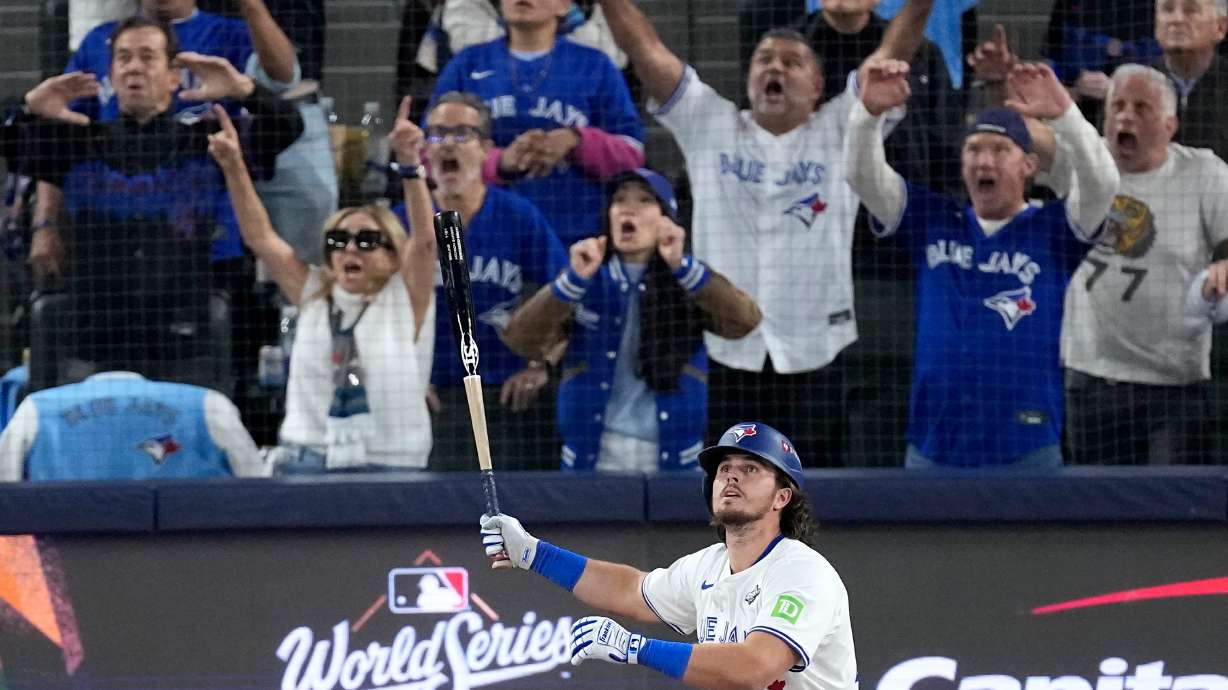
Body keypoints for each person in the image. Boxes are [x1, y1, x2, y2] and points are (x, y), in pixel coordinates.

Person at [597, 0, 933, 467]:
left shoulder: (841, 128)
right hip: (729, 352)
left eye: (792, 63)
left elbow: (893, 52)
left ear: (817, 87)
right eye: (764, 60)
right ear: (749, 77)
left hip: (817, 352)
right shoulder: (710, 123)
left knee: (811, 498)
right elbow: (646, 49)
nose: (775, 67)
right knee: (731, 495)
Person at [843, 60, 1119, 468]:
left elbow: (1103, 183)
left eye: (999, 150)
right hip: (934, 442)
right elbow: (861, 175)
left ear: (1028, 165)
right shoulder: (934, 223)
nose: (983, 161)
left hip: (1026, 443)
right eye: (973, 149)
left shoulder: (1053, 229)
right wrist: (867, 115)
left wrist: (1064, 114)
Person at [19, 17, 303, 386]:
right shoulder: (76, 143)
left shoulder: (208, 142)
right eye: (123, 58)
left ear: (173, 76)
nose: (134, 66)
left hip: (185, 338)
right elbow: (12, 146)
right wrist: (30, 107)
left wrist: (244, 89)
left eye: (147, 57)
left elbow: (289, 127)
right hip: (93, 340)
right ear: (111, 75)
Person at [479, 422, 854, 690]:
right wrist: (533, 553)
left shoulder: (802, 573)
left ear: (781, 497)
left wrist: (634, 648)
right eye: (724, 469)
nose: (731, 477)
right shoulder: (708, 565)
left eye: (750, 469)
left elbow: (754, 667)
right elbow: (631, 589)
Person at [208, 95, 437, 472]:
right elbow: (261, 238)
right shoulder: (314, 292)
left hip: (391, 462)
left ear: (394, 253)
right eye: (338, 241)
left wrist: (411, 167)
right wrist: (234, 166)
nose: (350, 250)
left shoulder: (406, 296)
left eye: (366, 241)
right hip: (307, 456)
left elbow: (426, 242)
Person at [502, 169, 762, 471]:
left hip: (676, 458)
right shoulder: (585, 280)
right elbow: (521, 340)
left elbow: (745, 321)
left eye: (644, 200)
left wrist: (681, 265)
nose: (628, 208)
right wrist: (570, 282)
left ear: (667, 219)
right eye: (619, 200)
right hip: (593, 458)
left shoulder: (689, 281)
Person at [1054, 65, 1228, 465]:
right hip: (1090, 379)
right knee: (1095, 516)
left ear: (1170, 124)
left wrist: (1223, 268)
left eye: (1141, 108)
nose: (1125, 116)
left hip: (1173, 388)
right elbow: (1019, 145)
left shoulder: (1203, 172)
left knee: (1172, 517)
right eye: (1117, 106)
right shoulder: (1084, 163)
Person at [392, 92, 568, 471]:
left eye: (462, 134)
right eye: (437, 135)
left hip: (505, 395)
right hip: (433, 394)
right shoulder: (402, 218)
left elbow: (566, 296)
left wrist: (542, 365)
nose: (448, 144)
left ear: (487, 149)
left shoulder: (518, 215)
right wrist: (401, 376)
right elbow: (379, 309)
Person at [430, 0, 644, 246]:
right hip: (487, 238)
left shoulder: (596, 66)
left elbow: (631, 154)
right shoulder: (466, 65)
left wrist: (576, 141)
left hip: (578, 239)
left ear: (564, 6)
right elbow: (428, 152)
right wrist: (500, 162)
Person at [0, 371, 268, 481]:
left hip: (59, 566)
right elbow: (259, 491)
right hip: (198, 567)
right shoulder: (209, 404)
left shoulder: (37, 410)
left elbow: (6, 494)